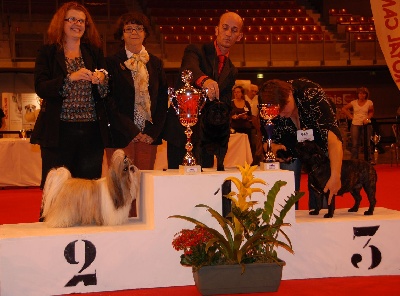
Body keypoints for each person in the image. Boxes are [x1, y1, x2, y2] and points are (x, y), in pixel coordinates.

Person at [31, 1, 110, 190]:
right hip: (58, 131)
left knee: (88, 188)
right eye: (72, 19)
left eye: (82, 21)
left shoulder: (94, 51)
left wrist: (102, 79)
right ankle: (53, 220)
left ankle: (86, 221)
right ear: (62, 23)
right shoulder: (47, 52)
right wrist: (69, 78)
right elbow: (41, 87)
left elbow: (107, 87)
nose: (77, 24)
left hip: (91, 131)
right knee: (56, 188)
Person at [163, 11, 243, 169]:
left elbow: (225, 104)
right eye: (225, 28)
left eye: (234, 30)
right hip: (181, 134)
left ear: (239, 36)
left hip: (207, 140)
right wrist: (204, 80)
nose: (228, 34)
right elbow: (189, 69)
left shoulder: (232, 70)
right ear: (216, 30)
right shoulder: (195, 50)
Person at [259, 78, 343, 211]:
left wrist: (336, 175)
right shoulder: (265, 101)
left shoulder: (312, 94)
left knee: (324, 190)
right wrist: (273, 148)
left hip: (318, 143)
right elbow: (266, 138)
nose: (281, 114)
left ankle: (322, 224)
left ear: (290, 94)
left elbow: (333, 139)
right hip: (288, 145)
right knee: (286, 195)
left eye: (283, 107)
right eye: (277, 111)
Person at [105, 11, 168, 170]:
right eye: (129, 28)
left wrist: (152, 132)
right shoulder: (110, 63)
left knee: (144, 185)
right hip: (120, 134)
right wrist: (132, 130)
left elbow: (161, 101)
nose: (134, 32)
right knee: (121, 186)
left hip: (147, 136)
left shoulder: (156, 63)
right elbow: (108, 101)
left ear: (145, 33)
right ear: (122, 35)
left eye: (139, 28)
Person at [341, 87, 374, 162]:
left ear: (366, 95)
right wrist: (351, 116)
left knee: (367, 143)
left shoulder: (369, 102)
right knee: (355, 144)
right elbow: (344, 109)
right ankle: (354, 160)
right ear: (358, 94)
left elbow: (371, 112)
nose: (362, 95)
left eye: (363, 93)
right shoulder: (354, 102)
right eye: (360, 93)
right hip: (355, 124)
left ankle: (368, 159)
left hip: (366, 124)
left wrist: (367, 118)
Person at [245, 83, 263, 165]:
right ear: (248, 91)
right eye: (252, 91)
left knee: (256, 143)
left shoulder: (258, 99)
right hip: (245, 123)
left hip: (255, 123)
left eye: (256, 91)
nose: (254, 93)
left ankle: (255, 159)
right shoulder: (244, 98)